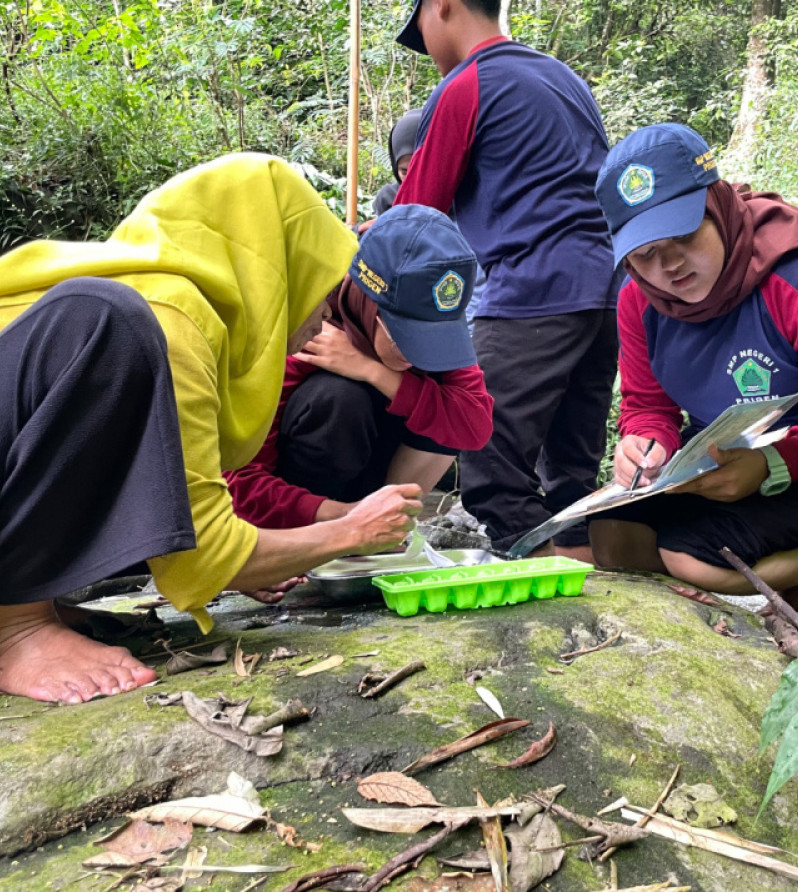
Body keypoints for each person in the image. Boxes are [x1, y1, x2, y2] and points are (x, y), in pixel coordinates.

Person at [0, 154, 422, 709]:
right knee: (103, 319)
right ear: (270, 266)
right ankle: (12, 626)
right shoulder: (166, 313)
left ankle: (28, 603)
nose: (325, 310)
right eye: (317, 281)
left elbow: (106, 484)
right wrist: (351, 531)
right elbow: (205, 557)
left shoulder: (169, 302)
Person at [588, 124, 798, 618]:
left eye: (683, 234)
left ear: (718, 203)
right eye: (645, 254)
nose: (670, 265)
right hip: (730, 452)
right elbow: (648, 405)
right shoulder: (639, 300)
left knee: (693, 559)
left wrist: (776, 464)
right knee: (613, 534)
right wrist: (645, 441)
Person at [393, 0, 620, 562]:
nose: (425, 51)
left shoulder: (467, 83)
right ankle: (597, 595)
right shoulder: (562, 77)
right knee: (571, 474)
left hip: (532, 292)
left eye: (420, 28)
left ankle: (555, 603)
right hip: (607, 293)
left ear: (441, 6)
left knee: (489, 463)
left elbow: (413, 218)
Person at [226, 204, 493, 528]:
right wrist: (345, 520)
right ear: (368, 304)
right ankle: (308, 539)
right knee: (339, 397)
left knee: (448, 410)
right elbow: (238, 481)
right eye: (406, 339)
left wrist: (374, 370)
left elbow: (474, 427)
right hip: (297, 500)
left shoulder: (426, 327)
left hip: (379, 488)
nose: (420, 356)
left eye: (434, 341)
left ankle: (391, 526)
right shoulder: (305, 324)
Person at [372, 109, 425, 217]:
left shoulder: (456, 199)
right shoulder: (388, 198)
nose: (412, 180)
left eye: (420, 170)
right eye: (404, 172)